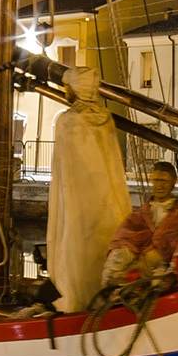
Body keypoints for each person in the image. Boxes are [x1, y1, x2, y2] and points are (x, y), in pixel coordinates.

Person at [45, 66, 131, 311]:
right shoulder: (105, 119)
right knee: (104, 245)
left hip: (78, 207)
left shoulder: (67, 120)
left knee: (76, 248)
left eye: (67, 87)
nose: (65, 91)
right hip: (107, 205)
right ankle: (108, 294)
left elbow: (62, 173)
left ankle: (75, 301)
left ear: (74, 89)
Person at [101, 161, 178, 287]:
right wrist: (112, 272)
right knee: (118, 256)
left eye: (164, 181)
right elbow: (122, 241)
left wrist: (172, 272)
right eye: (156, 180)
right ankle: (111, 290)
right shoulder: (136, 218)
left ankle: (163, 287)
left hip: (163, 268)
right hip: (135, 268)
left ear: (174, 182)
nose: (159, 186)